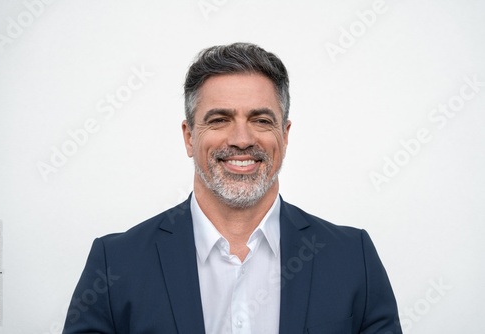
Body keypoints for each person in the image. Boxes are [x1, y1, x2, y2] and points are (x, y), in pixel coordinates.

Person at [63, 42, 402, 334]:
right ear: (189, 137)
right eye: (219, 120)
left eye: (261, 120)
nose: (242, 139)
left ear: (284, 136)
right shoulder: (115, 263)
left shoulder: (353, 258)